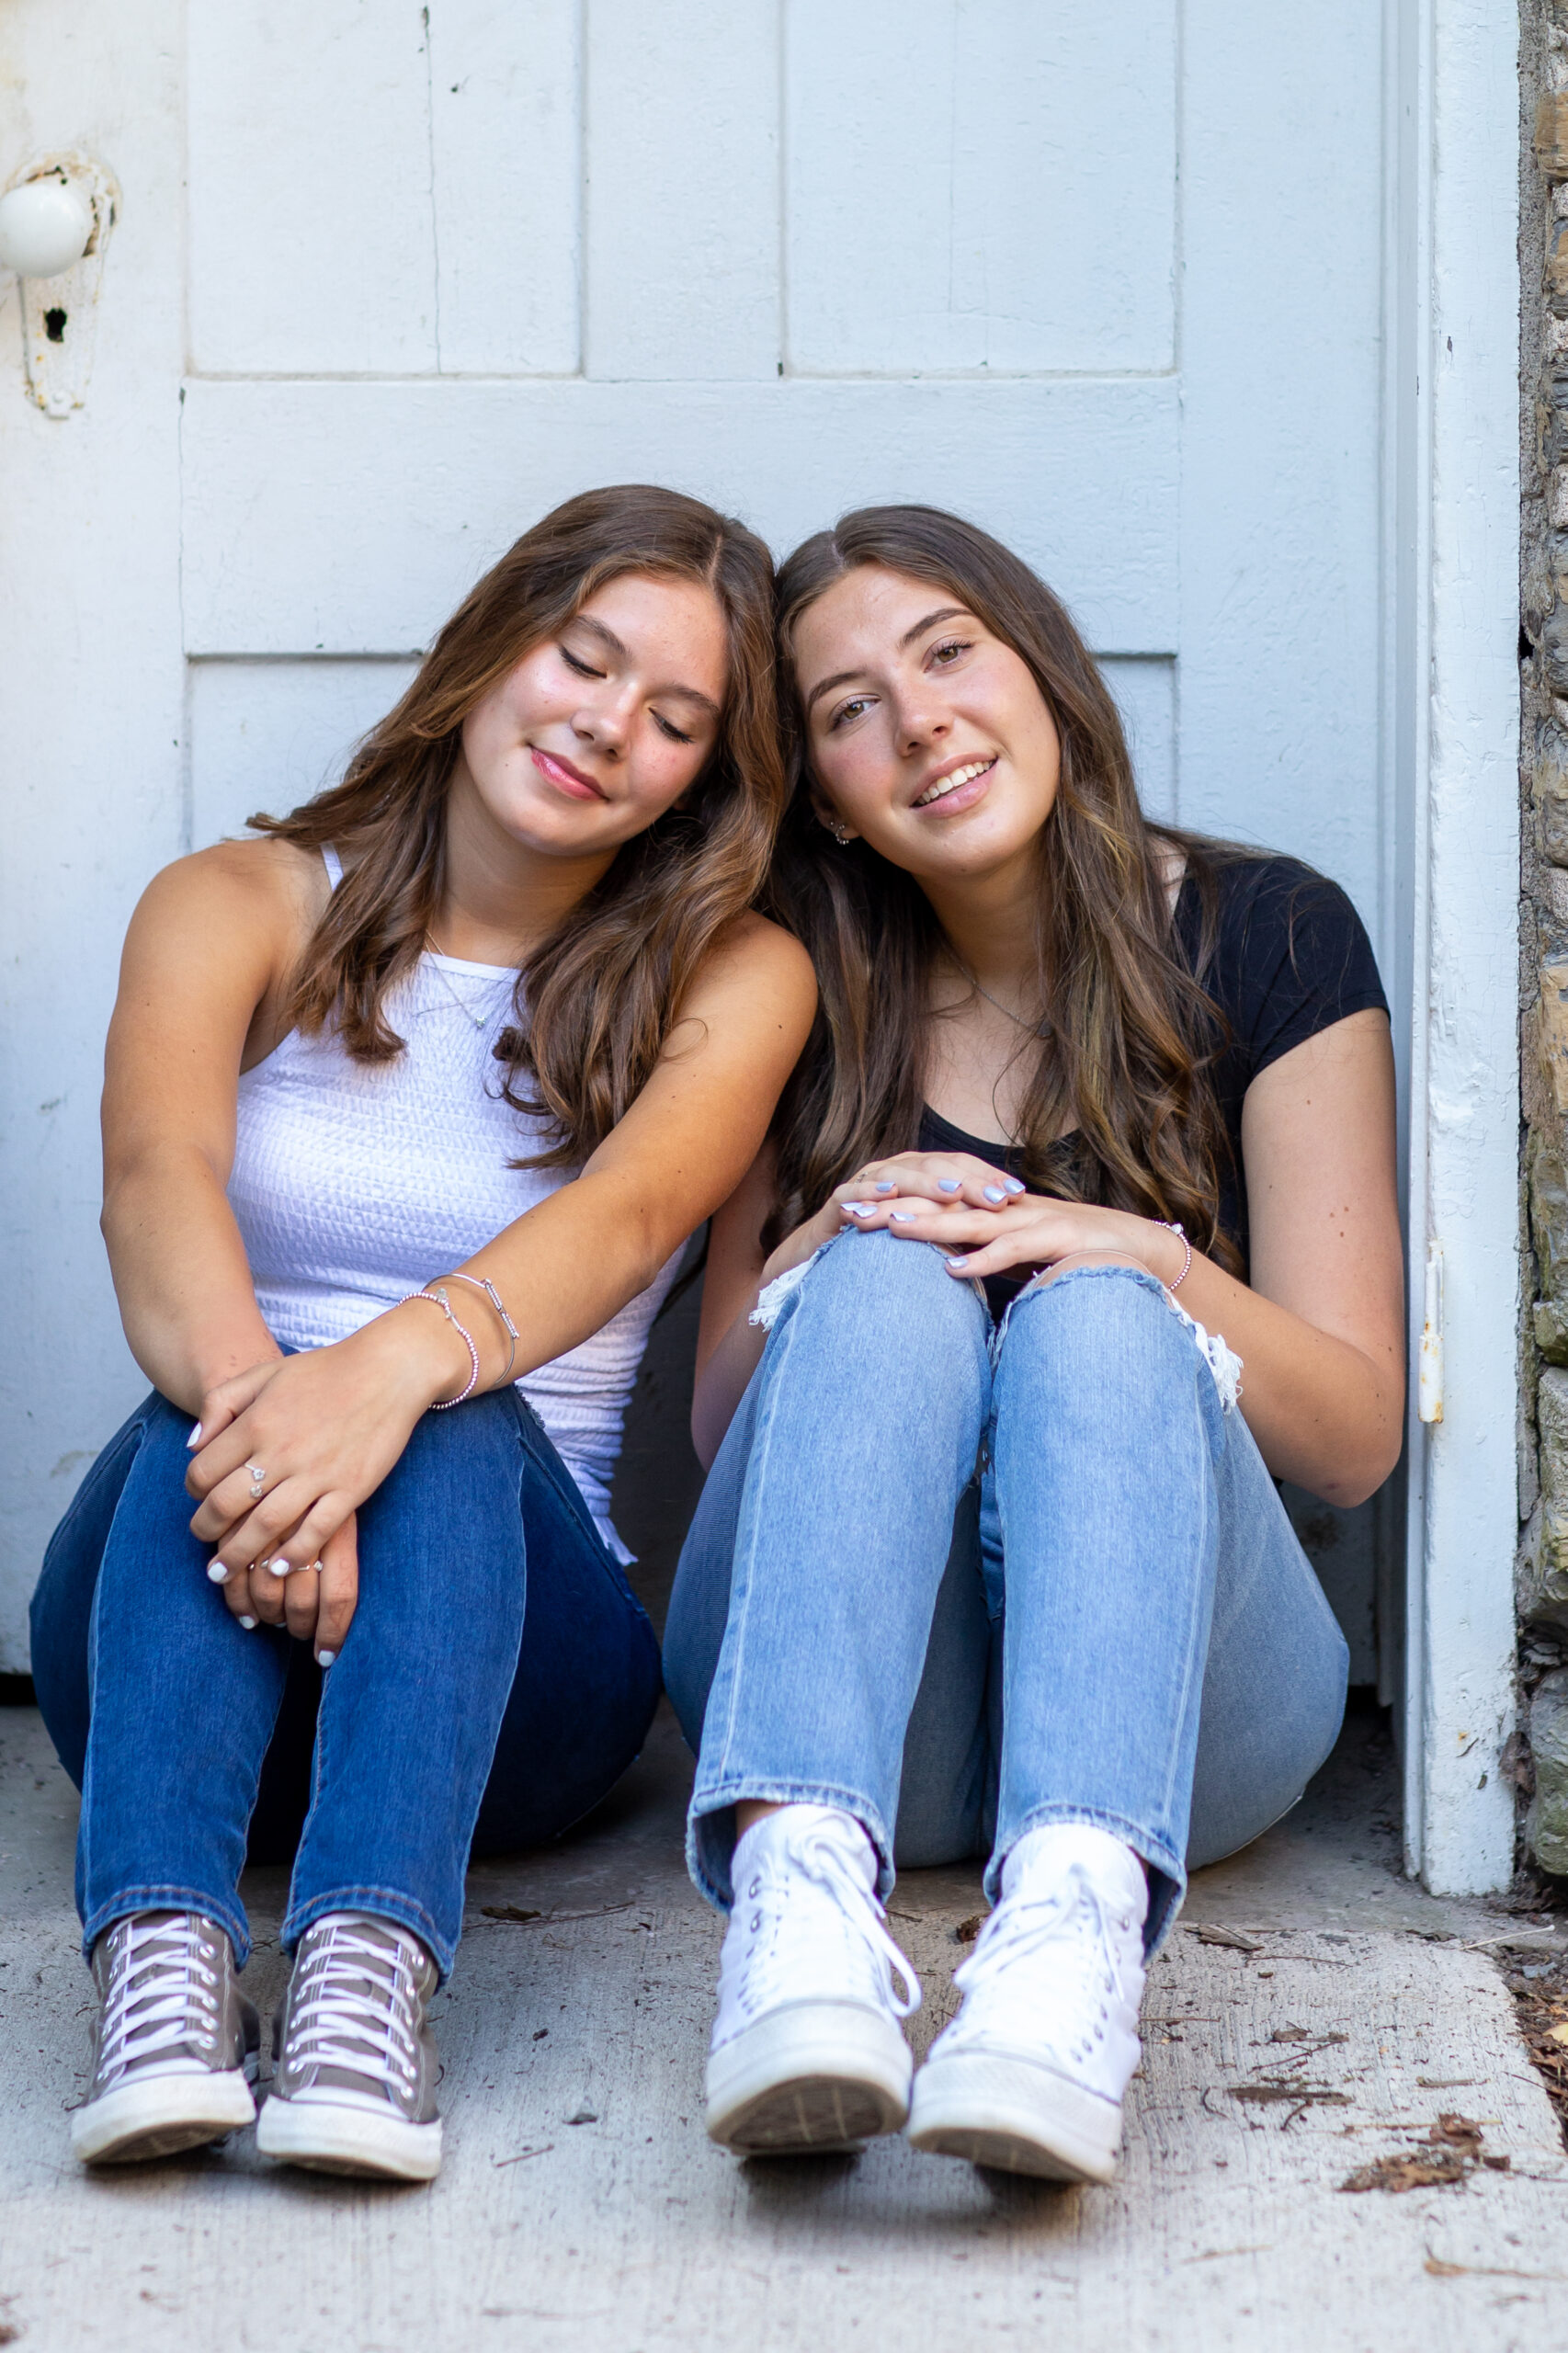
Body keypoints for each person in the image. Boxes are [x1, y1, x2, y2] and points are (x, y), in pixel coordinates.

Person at [30, 485, 816, 2183]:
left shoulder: (734, 974)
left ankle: (362, 1975)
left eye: (674, 718)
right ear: (489, 648)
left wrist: (374, 1386)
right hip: (186, 1629)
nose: (609, 727)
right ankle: (161, 1966)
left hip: (513, 1667)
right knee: (208, 1397)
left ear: (707, 775)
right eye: (583, 658)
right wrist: (277, 1427)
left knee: (453, 1398)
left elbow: (615, 1229)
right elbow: (154, 1181)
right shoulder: (233, 900)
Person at [663, 506, 1403, 2185]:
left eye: (946, 654)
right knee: (883, 1273)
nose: (916, 722)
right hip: (859, 1724)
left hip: (1183, 1730)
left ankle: (1065, 1950)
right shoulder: (800, 988)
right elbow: (720, 1432)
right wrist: (837, 1227)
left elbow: (1354, 1437)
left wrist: (1140, 1254)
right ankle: (793, 1921)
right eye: (846, 709)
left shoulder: (1271, 934)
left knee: (1094, 1312)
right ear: (825, 801)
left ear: (1042, 673)